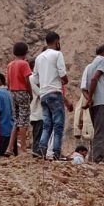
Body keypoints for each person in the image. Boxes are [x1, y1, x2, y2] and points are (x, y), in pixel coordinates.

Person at [35, 32, 70, 160]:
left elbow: (36, 79)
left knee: (47, 124)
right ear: (57, 41)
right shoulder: (57, 54)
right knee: (58, 124)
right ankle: (56, 152)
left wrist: (45, 84)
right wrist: (65, 81)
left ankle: (42, 150)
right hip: (55, 92)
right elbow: (62, 73)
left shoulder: (39, 57)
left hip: (43, 94)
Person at [83, 45, 104, 163]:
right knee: (102, 132)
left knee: (99, 130)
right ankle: (99, 159)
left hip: (94, 103)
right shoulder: (103, 61)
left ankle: (102, 158)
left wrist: (89, 98)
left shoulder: (89, 67)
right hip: (100, 101)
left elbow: (84, 88)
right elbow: (95, 79)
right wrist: (90, 98)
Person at [6, 42, 34, 156]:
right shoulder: (24, 64)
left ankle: (9, 148)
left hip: (12, 92)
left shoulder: (10, 64)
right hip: (22, 92)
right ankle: (23, 148)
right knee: (24, 120)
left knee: (16, 120)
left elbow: (8, 82)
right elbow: (27, 80)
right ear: (25, 52)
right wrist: (30, 93)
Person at [28, 58, 44, 157]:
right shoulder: (32, 78)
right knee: (38, 133)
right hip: (38, 112)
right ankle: (37, 153)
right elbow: (40, 93)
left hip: (39, 111)